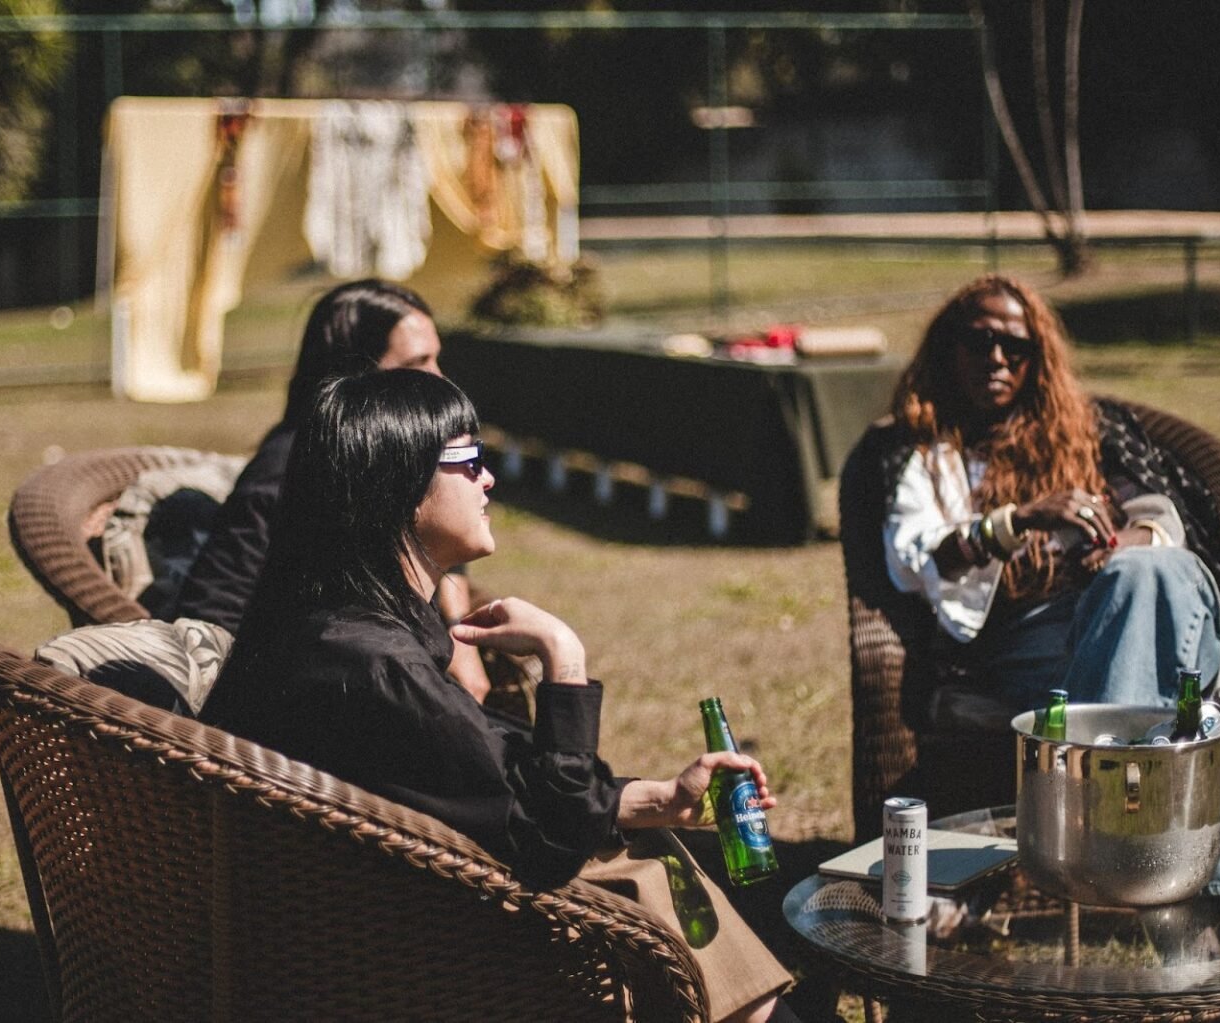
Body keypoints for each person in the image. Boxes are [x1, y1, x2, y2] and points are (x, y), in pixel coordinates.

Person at [199, 369, 797, 1023]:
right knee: (651, 879)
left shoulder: (333, 624)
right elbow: (551, 829)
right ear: (398, 482)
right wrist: (563, 656)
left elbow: (482, 773)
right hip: (424, 959)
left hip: (371, 921)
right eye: (470, 459)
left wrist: (661, 798)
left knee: (657, 854)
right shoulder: (373, 662)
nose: (489, 480)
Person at [880, 274, 1220, 722]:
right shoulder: (926, 450)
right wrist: (1018, 521)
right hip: (1029, 643)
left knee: (1153, 568)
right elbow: (913, 561)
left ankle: (1097, 764)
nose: (997, 359)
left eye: (1016, 348)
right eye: (980, 341)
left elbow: (1159, 518)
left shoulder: (1088, 432)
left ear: (1037, 360)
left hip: (1123, 604)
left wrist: (1117, 548)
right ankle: (1134, 763)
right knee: (1151, 622)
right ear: (949, 346)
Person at [172, 279, 492, 702]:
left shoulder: (390, 462)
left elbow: (438, 533)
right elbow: (212, 614)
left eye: (437, 357)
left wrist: (458, 637)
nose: (438, 377)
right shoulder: (285, 476)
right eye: (419, 362)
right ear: (356, 377)